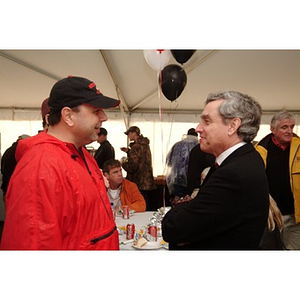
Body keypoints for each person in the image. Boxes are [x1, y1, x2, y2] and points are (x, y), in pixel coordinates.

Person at [0, 76, 120, 250]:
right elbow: (34, 246)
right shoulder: (41, 167)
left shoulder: (82, 155)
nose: (104, 117)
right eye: (96, 110)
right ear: (68, 116)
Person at [162, 90, 269, 250]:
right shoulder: (244, 158)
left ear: (233, 126)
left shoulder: (233, 174)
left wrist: (181, 208)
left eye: (207, 121)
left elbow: (173, 228)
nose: (198, 128)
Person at [255, 110, 300, 250]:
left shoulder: (298, 148)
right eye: (284, 127)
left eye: (292, 127)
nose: (289, 131)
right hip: (270, 216)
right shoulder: (260, 150)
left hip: (295, 216)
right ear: (272, 129)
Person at [121, 126, 155, 210]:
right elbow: (142, 159)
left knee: (141, 204)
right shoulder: (145, 145)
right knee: (147, 202)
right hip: (147, 180)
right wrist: (129, 152)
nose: (128, 136)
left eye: (128, 134)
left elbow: (133, 166)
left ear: (134, 133)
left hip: (138, 180)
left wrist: (123, 163)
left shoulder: (135, 147)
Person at [165, 128, 199, 198]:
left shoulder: (177, 145)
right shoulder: (199, 146)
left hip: (177, 179)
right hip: (193, 180)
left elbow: (169, 162)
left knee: (178, 201)